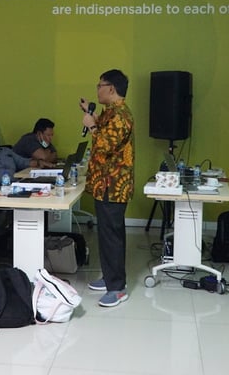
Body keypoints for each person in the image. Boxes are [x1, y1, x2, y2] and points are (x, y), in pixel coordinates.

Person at [80, 69, 134, 307]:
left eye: (99, 85)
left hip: (114, 187)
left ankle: (118, 288)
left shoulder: (121, 115)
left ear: (111, 88)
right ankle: (110, 277)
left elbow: (104, 144)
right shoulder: (110, 112)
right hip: (105, 185)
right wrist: (89, 114)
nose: (97, 89)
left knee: (112, 236)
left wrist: (91, 126)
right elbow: (103, 131)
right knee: (107, 234)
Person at [0, 123, 51, 193]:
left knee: (46, 190)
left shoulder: (6, 151)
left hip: (16, 186)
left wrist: (39, 162)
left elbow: (23, 162)